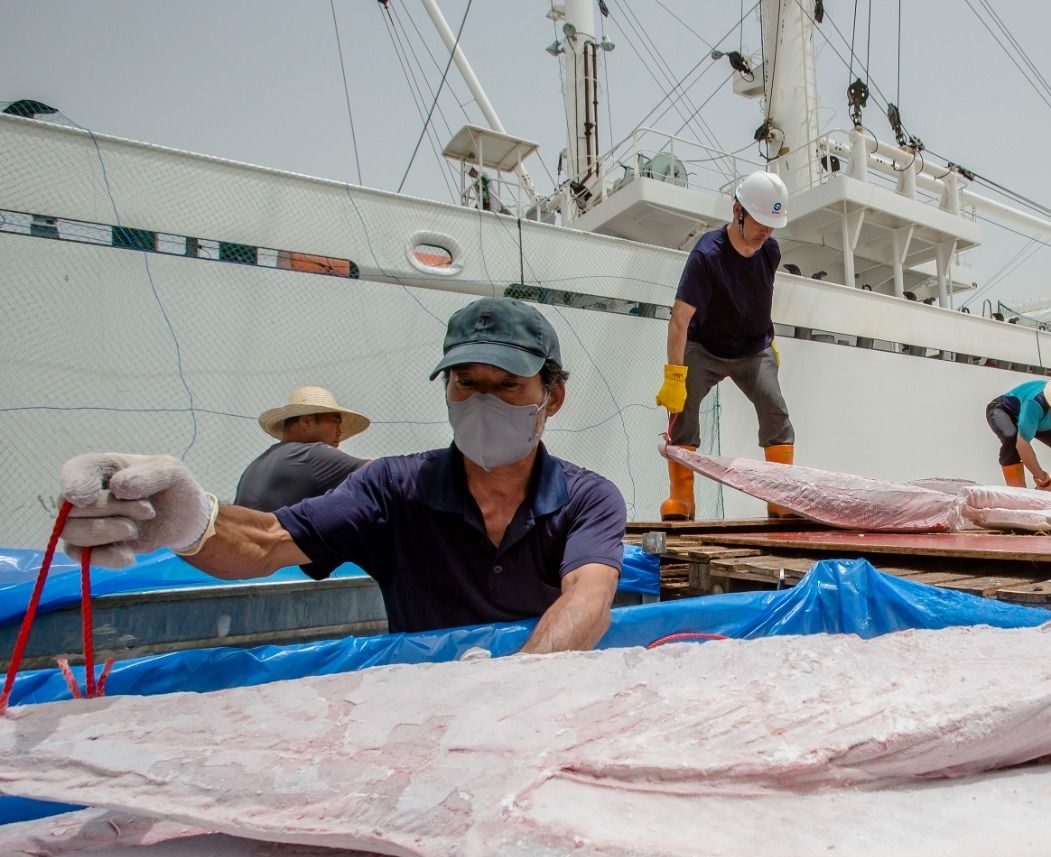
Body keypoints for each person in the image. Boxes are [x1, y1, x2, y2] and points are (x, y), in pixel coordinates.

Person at [57, 298, 626, 652]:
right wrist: (186, 519)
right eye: (466, 384)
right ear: (447, 392)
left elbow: (588, 599)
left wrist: (513, 687)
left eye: (508, 386)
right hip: (420, 704)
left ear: (552, 398)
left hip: (545, 694)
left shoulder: (588, 497)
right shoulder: (395, 488)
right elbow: (264, 544)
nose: (484, 403)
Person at [655, 171, 795, 519]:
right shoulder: (707, 255)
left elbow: (759, 298)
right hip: (705, 348)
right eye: (761, 222)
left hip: (754, 350)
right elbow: (679, 319)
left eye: (772, 224)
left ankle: (780, 498)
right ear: (738, 211)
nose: (767, 231)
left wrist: (769, 339)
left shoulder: (770, 252)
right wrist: (675, 377)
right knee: (683, 410)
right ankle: (682, 500)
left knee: (775, 409)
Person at [234, 386, 370, 512]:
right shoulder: (311, 454)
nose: (339, 431)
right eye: (335, 422)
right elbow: (381, 472)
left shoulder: (254, 466)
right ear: (307, 421)